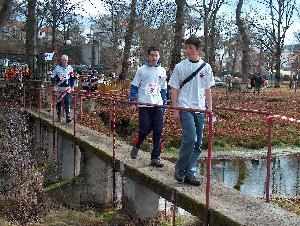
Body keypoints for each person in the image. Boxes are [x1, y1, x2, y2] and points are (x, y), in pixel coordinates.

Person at [168, 36, 215, 186]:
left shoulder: (206, 68)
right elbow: (174, 89)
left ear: (198, 50)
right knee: (190, 138)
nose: (187, 51)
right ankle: (180, 168)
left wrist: (210, 109)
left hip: (200, 108)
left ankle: (190, 173)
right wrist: (175, 109)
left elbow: (208, 90)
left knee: (198, 144)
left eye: (190, 48)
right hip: (185, 106)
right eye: (186, 48)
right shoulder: (180, 66)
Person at [129, 46, 167, 167]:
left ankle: (155, 157)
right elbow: (134, 86)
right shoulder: (141, 70)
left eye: (156, 55)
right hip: (144, 105)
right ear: (148, 56)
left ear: (159, 56)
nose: (154, 58)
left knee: (158, 131)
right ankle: (137, 145)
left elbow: (163, 90)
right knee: (144, 129)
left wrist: (164, 105)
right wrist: (133, 102)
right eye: (152, 55)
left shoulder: (162, 71)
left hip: (158, 105)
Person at [51, 55, 75, 123]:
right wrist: (53, 86)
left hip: (67, 88)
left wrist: (72, 86)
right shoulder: (57, 68)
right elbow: (53, 77)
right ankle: (58, 116)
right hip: (59, 87)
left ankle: (68, 116)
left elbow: (72, 78)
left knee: (67, 101)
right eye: (63, 60)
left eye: (66, 60)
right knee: (59, 102)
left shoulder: (70, 68)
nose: (64, 62)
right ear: (61, 60)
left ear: (67, 61)